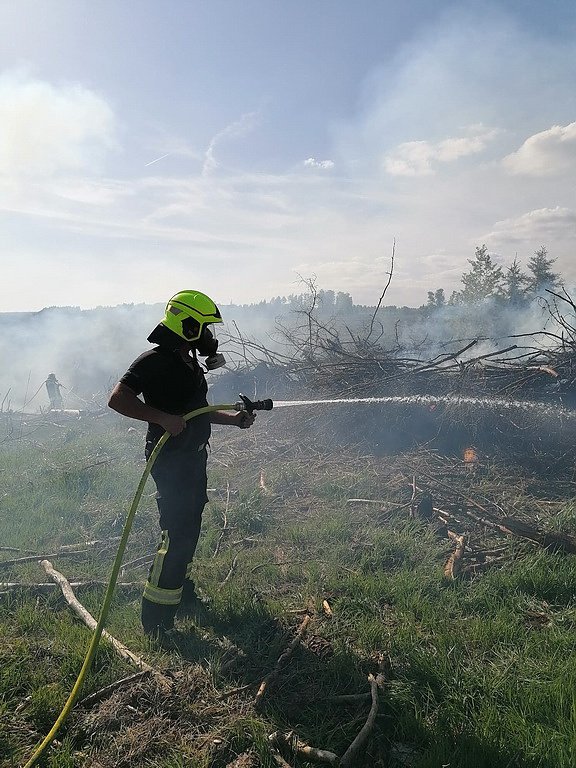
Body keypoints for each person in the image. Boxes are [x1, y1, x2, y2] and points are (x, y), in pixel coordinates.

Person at [108, 290, 255, 643]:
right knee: (176, 535)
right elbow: (117, 398)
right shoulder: (152, 361)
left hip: (193, 457)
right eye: (204, 328)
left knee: (188, 527)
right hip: (170, 459)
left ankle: (180, 591)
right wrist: (161, 418)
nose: (209, 336)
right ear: (187, 325)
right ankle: (156, 623)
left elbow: (197, 412)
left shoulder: (189, 362)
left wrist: (234, 420)